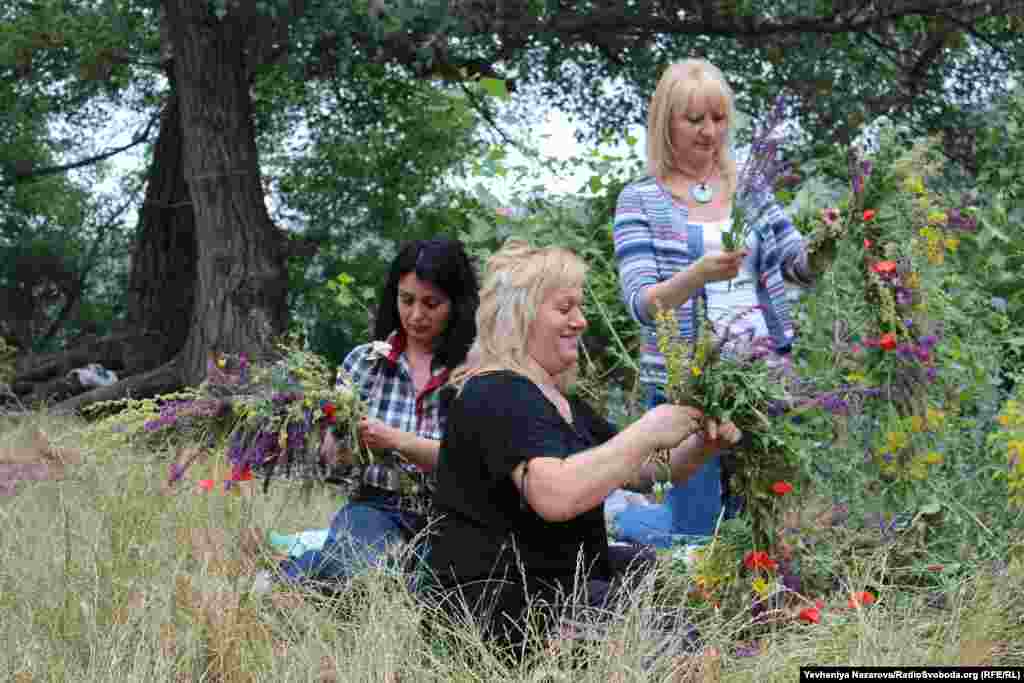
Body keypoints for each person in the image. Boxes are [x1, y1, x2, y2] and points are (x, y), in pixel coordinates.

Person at [425, 240, 741, 653]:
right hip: (497, 605)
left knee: (642, 569)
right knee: (661, 637)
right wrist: (645, 430)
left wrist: (703, 441)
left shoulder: (559, 402)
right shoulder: (495, 392)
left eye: (579, 307)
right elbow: (555, 496)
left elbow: (651, 470)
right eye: (564, 308)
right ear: (519, 318)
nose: (581, 321)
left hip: (554, 584)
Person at [611, 59, 837, 545]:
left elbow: (797, 268)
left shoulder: (751, 190)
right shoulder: (640, 200)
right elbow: (641, 303)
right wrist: (697, 276)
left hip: (761, 382)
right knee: (694, 531)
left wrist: (826, 243)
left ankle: (750, 618)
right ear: (666, 123)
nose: (710, 131)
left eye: (718, 118)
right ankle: (624, 521)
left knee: (757, 528)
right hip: (688, 387)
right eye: (695, 120)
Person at [278, 238, 479, 589]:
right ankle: (295, 578)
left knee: (439, 591)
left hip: (452, 516)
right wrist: (339, 441)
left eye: (432, 303)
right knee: (360, 573)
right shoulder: (364, 363)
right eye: (407, 300)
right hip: (377, 508)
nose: (416, 315)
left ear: (456, 304)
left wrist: (395, 440)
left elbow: (470, 464)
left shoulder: (475, 372)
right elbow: (333, 465)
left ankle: (314, 572)